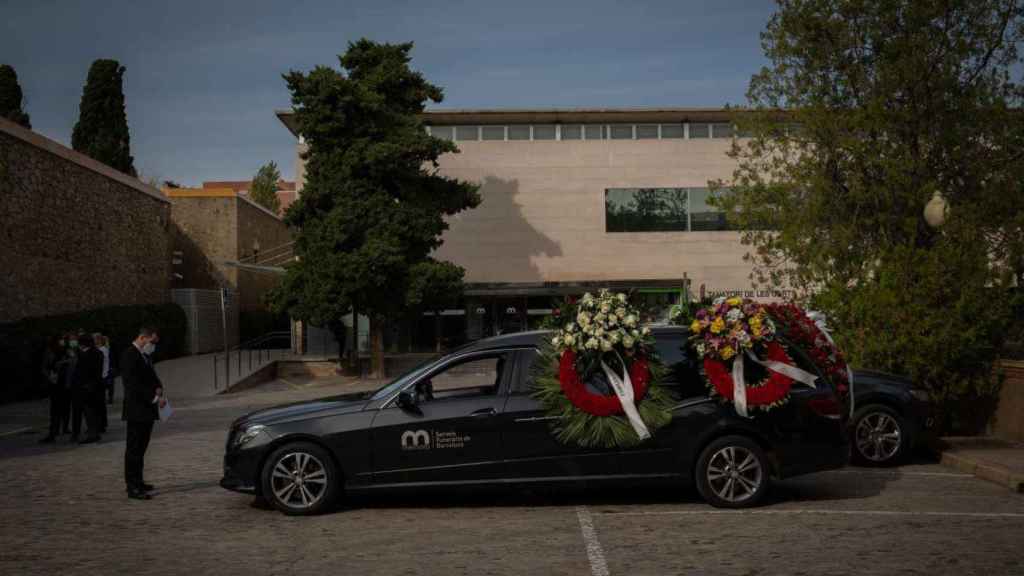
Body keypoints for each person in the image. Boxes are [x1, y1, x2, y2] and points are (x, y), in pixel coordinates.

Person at [121, 326, 164, 500]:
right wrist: (154, 398)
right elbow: (133, 384)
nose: (153, 345)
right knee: (134, 449)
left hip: (146, 411)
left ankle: (138, 481)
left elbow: (150, 375)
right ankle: (132, 486)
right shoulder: (130, 354)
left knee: (142, 448)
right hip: (136, 410)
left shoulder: (144, 355)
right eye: (152, 342)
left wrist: (158, 386)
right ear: (143, 338)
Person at [71, 333, 104, 444]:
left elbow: (83, 371)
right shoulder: (97, 353)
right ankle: (94, 432)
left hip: (84, 387)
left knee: (85, 411)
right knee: (91, 412)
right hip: (91, 387)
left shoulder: (84, 355)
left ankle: (88, 434)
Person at [39, 336, 70, 443]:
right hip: (57, 383)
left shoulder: (64, 350)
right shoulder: (52, 351)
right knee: (57, 409)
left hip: (62, 383)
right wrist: (50, 376)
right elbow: (45, 367)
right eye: (60, 339)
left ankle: (57, 431)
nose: (62, 341)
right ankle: (55, 431)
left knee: (60, 408)